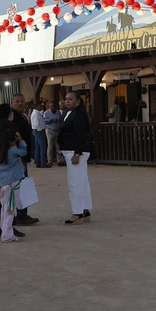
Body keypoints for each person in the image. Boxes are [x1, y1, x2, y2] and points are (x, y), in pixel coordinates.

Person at [58, 91, 93, 224]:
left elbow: (81, 134)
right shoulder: (69, 113)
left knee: (75, 182)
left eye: (70, 99)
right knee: (82, 180)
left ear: (78, 101)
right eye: (66, 99)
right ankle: (85, 209)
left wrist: (77, 153)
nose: (67, 101)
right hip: (71, 150)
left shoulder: (79, 114)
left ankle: (77, 212)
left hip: (76, 151)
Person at [0, 125, 29, 242]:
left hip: (3, 183)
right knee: (10, 210)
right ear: (11, 141)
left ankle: (4, 230)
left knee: (5, 208)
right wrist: (21, 140)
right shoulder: (13, 151)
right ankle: (8, 235)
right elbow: (24, 151)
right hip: (13, 184)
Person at [42, 102, 62, 167]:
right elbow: (44, 120)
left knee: (58, 146)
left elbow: (61, 120)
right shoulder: (46, 113)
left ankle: (59, 160)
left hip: (57, 130)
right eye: (51, 106)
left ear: (56, 107)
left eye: (53, 106)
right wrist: (50, 120)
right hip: (50, 130)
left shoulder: (58, 112)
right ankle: (50, 161)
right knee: (50, 146)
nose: (52, 108)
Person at [29, 103, 47, 168]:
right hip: (39, 131)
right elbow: (36, 124)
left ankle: (38, 162)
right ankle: (43, 162)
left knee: (38, 147)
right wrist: (40, 129)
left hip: (37, 131)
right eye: (40, 106)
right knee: (42, 147)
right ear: (36, 106)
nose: (41, 107)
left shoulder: (38, 113)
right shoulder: (35, 114)